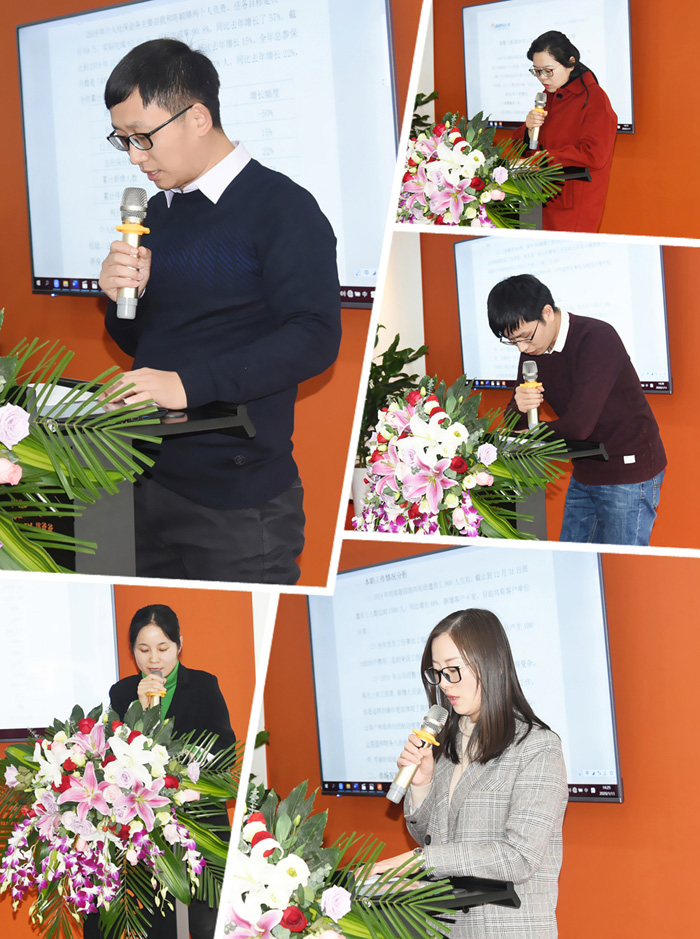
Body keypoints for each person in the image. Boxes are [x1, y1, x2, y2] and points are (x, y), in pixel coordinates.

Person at [98, 39, 342, 584]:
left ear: (198, 117)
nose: (135, 156)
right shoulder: (158, 212)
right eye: (123, 140)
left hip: (237, 503)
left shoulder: (283, 207)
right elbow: (147, 341)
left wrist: (188, 384)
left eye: (142, 136)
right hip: (144, 477)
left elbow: (316, 335)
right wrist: (121, 298)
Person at [372, 609, 568, 939]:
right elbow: (433, 840)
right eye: (437, 672)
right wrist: (422, 785)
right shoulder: (447, 741)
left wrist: (420, 861)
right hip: (443, 928)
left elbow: (519, 857)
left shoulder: (537, 747)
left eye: (454, 670)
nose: (444, 684)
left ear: (492, 664)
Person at [84, 603, 236, 939]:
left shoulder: (203, 685)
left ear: (179, 645)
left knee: (206, 924)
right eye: (144, 649)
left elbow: (225, 747)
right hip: (145, 828)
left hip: (198, 823)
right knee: (157, 923)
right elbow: (113, 753)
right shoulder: (122, 692)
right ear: (132, 651)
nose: (154, 659)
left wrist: (184, 766)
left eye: (163, 648)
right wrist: (141, 709)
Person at [487, 274, 666, 545]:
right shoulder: (533, 350)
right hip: (586, 465)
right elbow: (514, 422)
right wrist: (520, 406)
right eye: (513, 342)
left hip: (628, 467)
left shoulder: (596, 338)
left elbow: (579, 425)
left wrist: (530, 434)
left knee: (621, 559)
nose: (522, 348)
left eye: (525, 337)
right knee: (572, 558)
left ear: (547, 313)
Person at [516, 31, 617, 232]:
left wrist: (541, 159)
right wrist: (528, 129)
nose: (542, 78)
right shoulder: (547, 96)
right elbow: (525, 147)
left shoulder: (594, 98)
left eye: (548, 70)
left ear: (570, 63)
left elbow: (594, 155)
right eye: (537, 71)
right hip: (536, 196)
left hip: (571, 204)